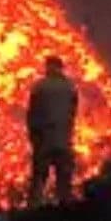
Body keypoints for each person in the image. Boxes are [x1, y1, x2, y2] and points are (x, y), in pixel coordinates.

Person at [26, 55, 79, 205]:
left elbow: (32, 114)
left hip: (44, 140)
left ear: (48, 67)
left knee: (39, 179)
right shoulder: (70, 87)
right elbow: (72, 113)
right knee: (64, 181)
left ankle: (34, 211)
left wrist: (33, 137)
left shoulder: (39, 87)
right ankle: (64, 211)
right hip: (63, 140)